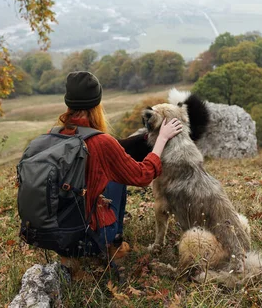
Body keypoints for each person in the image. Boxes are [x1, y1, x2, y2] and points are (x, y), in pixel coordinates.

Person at [56, 71, 182, 270]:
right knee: (117, 178)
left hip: (55, 232)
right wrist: (162, 139)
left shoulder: (55, 135)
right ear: (97, 105)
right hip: (87, 234)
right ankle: (112, 244)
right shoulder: (101, 141)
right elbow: (142, 176)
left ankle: (70, 254)